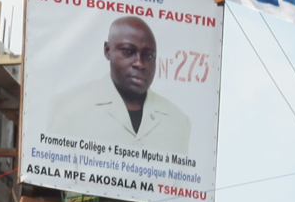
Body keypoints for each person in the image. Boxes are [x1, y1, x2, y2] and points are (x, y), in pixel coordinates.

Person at [48, 15, 193, 158]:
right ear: (107, 50)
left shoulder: (178, 121)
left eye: (148, 55)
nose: (139, 63)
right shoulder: (68, 108)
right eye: (128, 51)